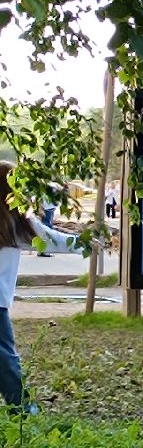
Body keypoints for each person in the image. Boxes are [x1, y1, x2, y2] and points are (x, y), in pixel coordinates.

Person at [1, 162, 78, 412]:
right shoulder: (15, 222)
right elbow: (50, 239)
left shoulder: (14, 222)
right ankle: (22, 409)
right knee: (7, 358)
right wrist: (84, 244)